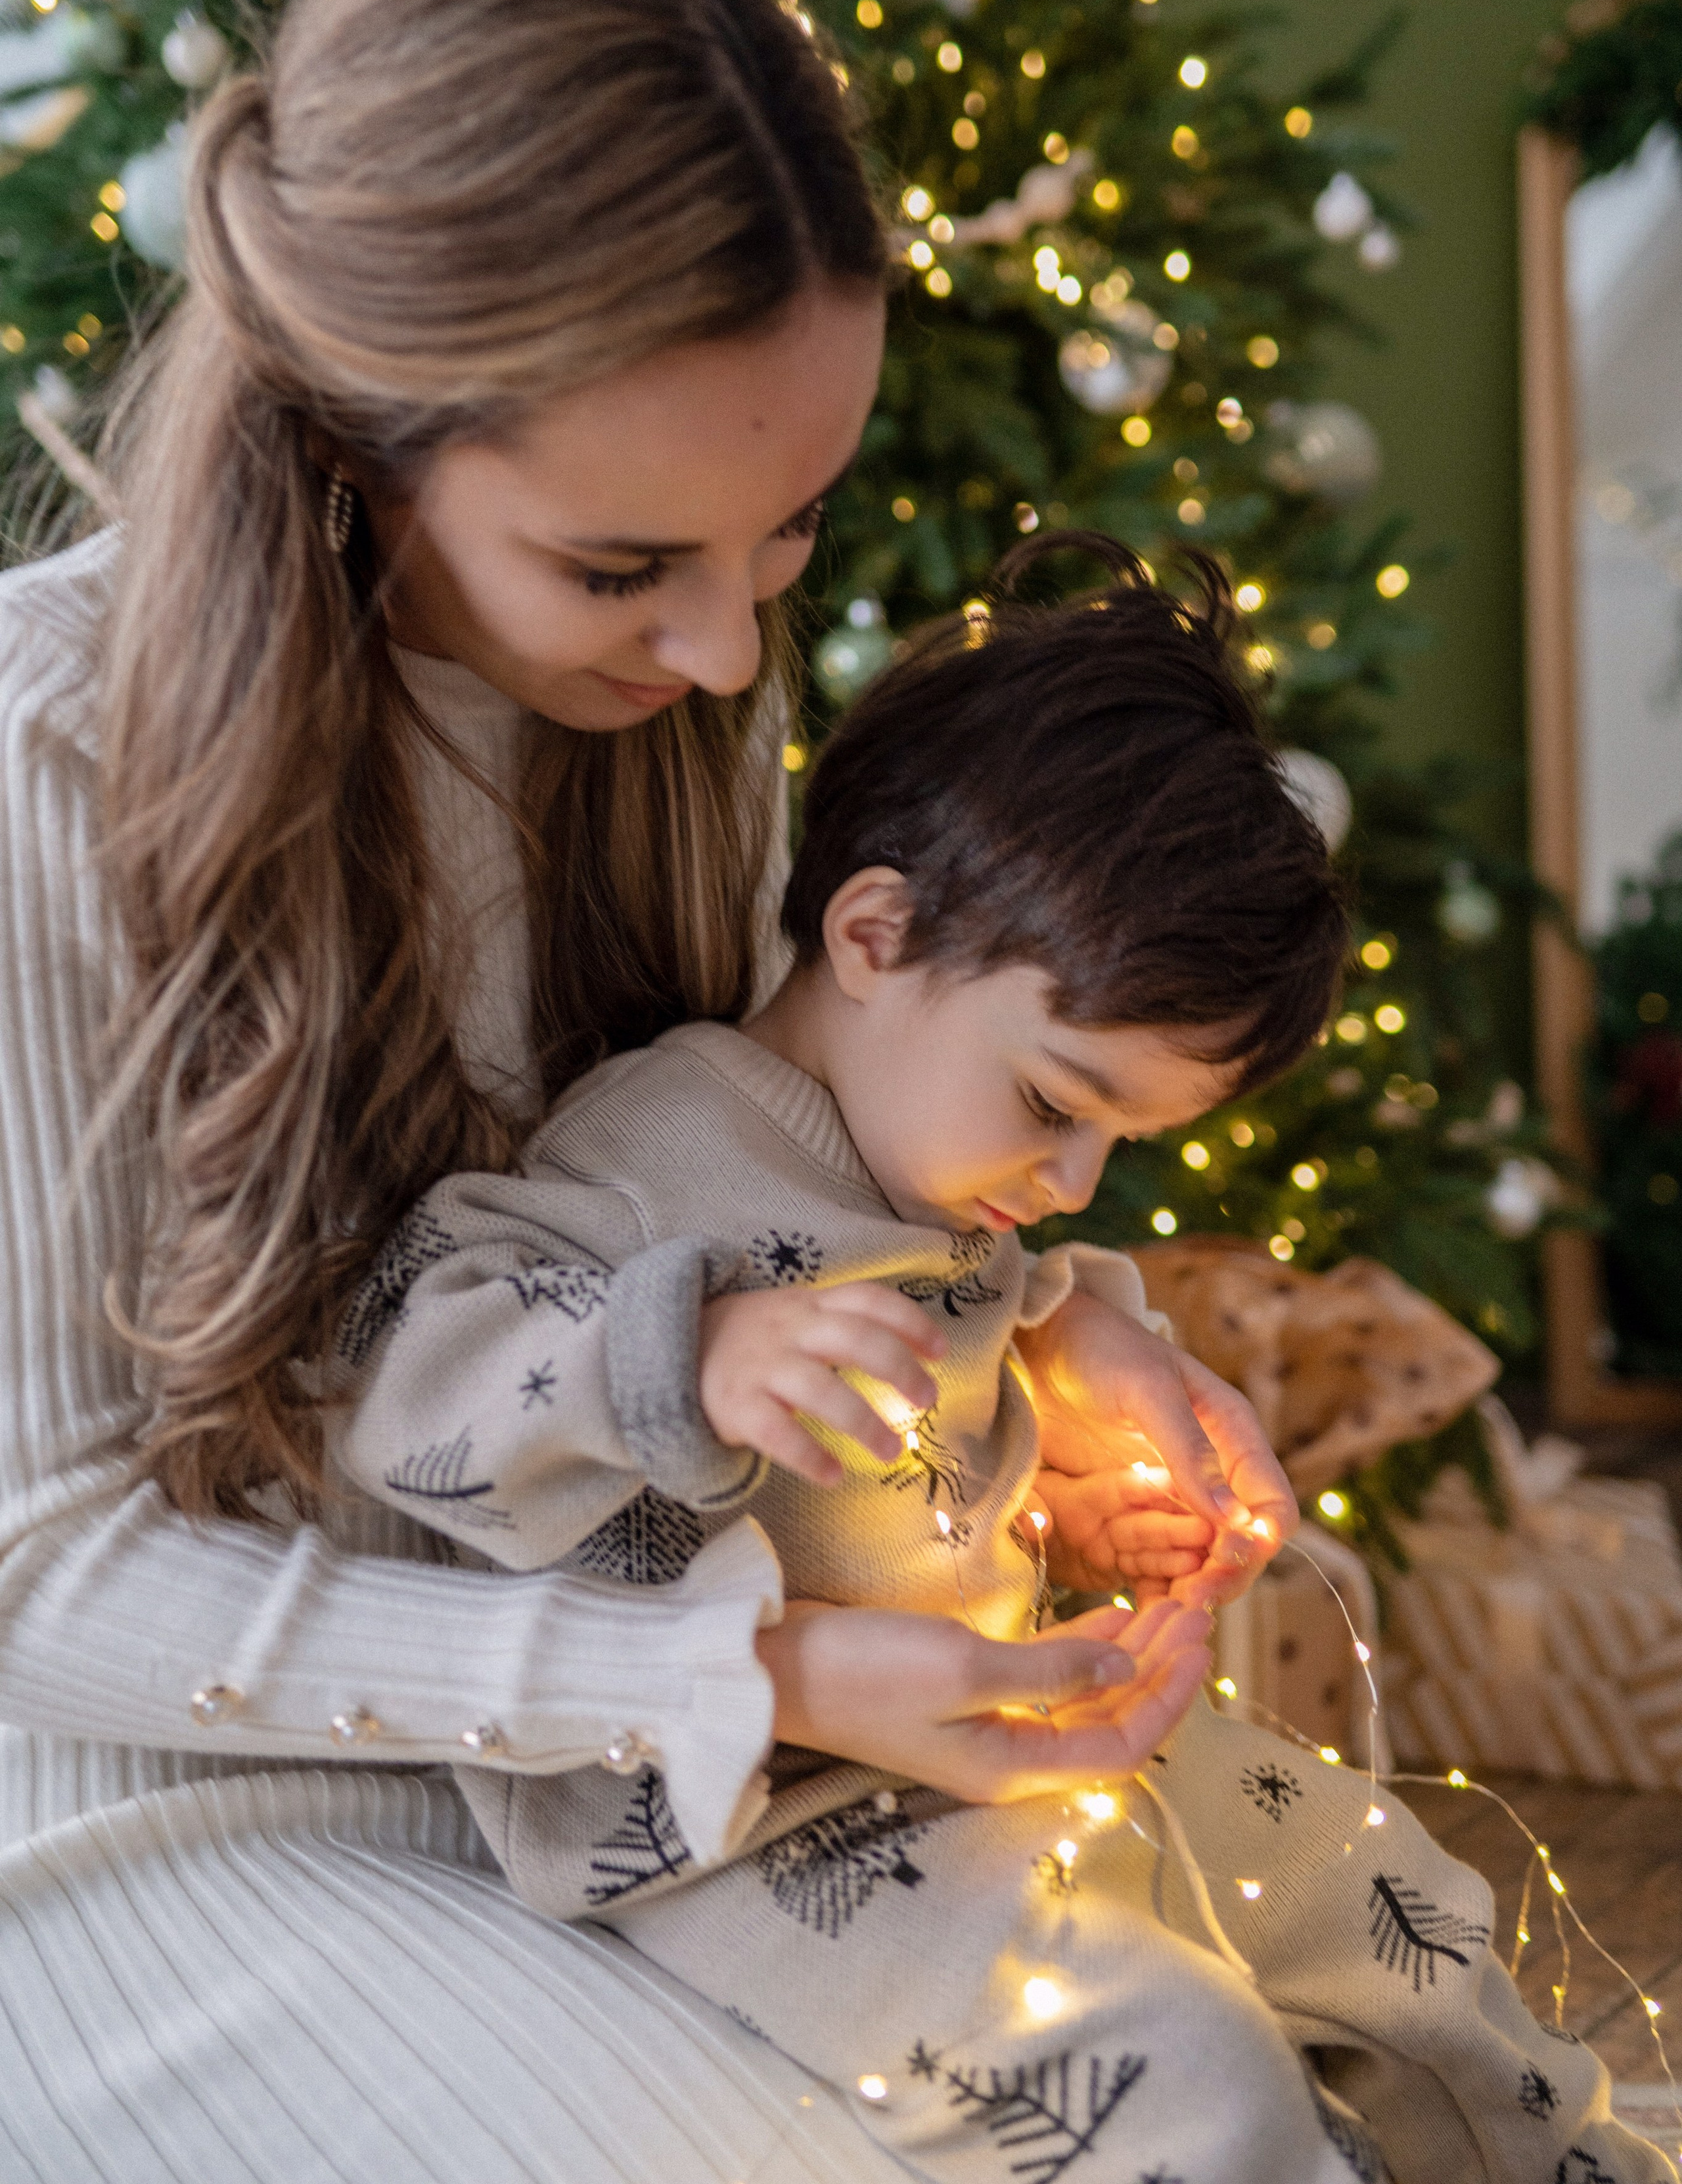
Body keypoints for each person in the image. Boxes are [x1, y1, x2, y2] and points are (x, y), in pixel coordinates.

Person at [0, 0, 1298, 2184]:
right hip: (142, 1819)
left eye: (784, 531)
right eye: (623, 565)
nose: (720, 652)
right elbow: (45, 1585)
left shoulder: (669, 706)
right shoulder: (47, 766)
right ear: (353, 424)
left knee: (1240, 2015)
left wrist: (1055, 1319)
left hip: (594, 1768)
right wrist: (752, 1679)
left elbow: (714, 1193)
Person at [331, 551, 1666, 2184]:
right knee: (1180, 2078)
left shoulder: (943, 1177)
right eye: (1056, 1104)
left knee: (1401, 1924)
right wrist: (689, 1351)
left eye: (1121, 1136)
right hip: (769, 1819)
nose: (1075, 1177)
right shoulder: (649, 1155)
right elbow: (401, 1369)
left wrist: (1092, 1456)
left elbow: (983, 1373)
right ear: (874, 932)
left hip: (1040, 1727)